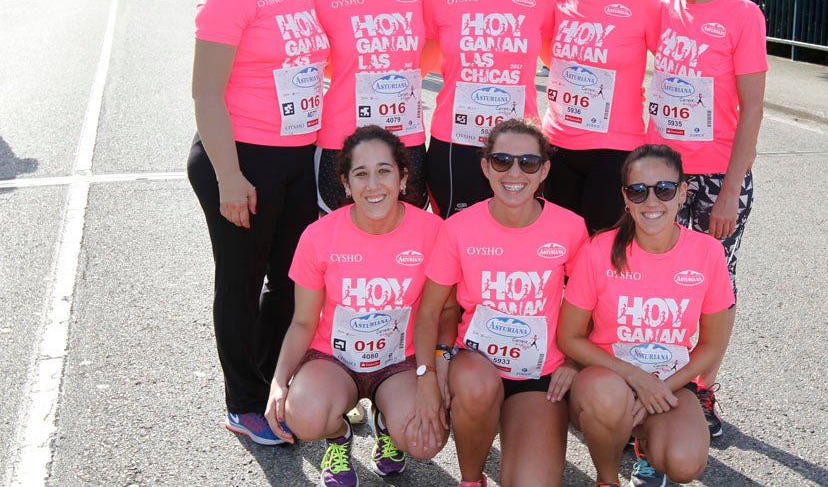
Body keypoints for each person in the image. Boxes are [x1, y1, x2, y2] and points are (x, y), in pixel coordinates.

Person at [186, 0, 330, 446]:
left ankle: (275, 380)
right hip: (242, 156)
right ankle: (242, 401)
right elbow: (204, 93)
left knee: (294, 283)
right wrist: (229, 175)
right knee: (242, 282)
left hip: (296, 156)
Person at [264, 126, 449, 486]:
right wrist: (278, 381)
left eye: (384, 170)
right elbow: (303, 321)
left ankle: (387, 425)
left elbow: (446, 310)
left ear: (403, 177)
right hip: (334, 360)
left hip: (401, 361)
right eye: (360, 174)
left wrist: (435, 368)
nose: (373, 184)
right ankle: (338, 436)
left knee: (426, 441)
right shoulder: (318, 236)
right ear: (346, 185)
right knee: (303, 415)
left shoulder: (434, 231)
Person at [646, 0, 767, 443]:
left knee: (713, 287)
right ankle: (659, 382)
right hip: (662, 176)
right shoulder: (661, 9)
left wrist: (732, 191)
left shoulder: (743, 14)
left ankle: (702, 388)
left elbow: (753, 110)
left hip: (718, 174)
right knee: (660, 283)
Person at [412, 118, 588, 487]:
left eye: (528, 163)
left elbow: (590, 301)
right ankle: (471, 479)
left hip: (540, 377)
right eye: (502, 161)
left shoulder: (570, 227)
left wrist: (573, 359)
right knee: (476, 384)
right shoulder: (458, 227)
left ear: (544, 170)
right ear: (485, 166)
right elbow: (429, 309)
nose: (515, 173)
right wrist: (430, 371)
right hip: (474, 367)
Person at [557, 144, 736, 487]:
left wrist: (662, 386)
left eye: (664, 189)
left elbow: (712, 343)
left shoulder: (708, 253)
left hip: (668, 384)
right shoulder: (600, 250)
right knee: (606, 396)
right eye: (638, 191)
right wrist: (636, 378)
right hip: (606, 381)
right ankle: (607, 479)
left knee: (685, 464)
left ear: (682, 193)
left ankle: (646, 445)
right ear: (625, 198)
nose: (651, 202)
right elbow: (569, 337)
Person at [423, 0, 555, 217]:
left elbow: (562, 62)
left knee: (512, 253)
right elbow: (415, 66)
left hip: (519, 149)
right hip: (455, 145)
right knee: (455, 254)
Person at [541, 0, 661, 235]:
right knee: (559, 254)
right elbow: (549, 58)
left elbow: (675, 62)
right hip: (558, 146)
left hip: (615, 150)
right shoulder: (555, 0)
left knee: (603, 253)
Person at [313, 0, 430, 214]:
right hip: (341, 141)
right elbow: (310, 62)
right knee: (341, 250)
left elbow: (435, 48)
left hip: (405, 138)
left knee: (407, 248)